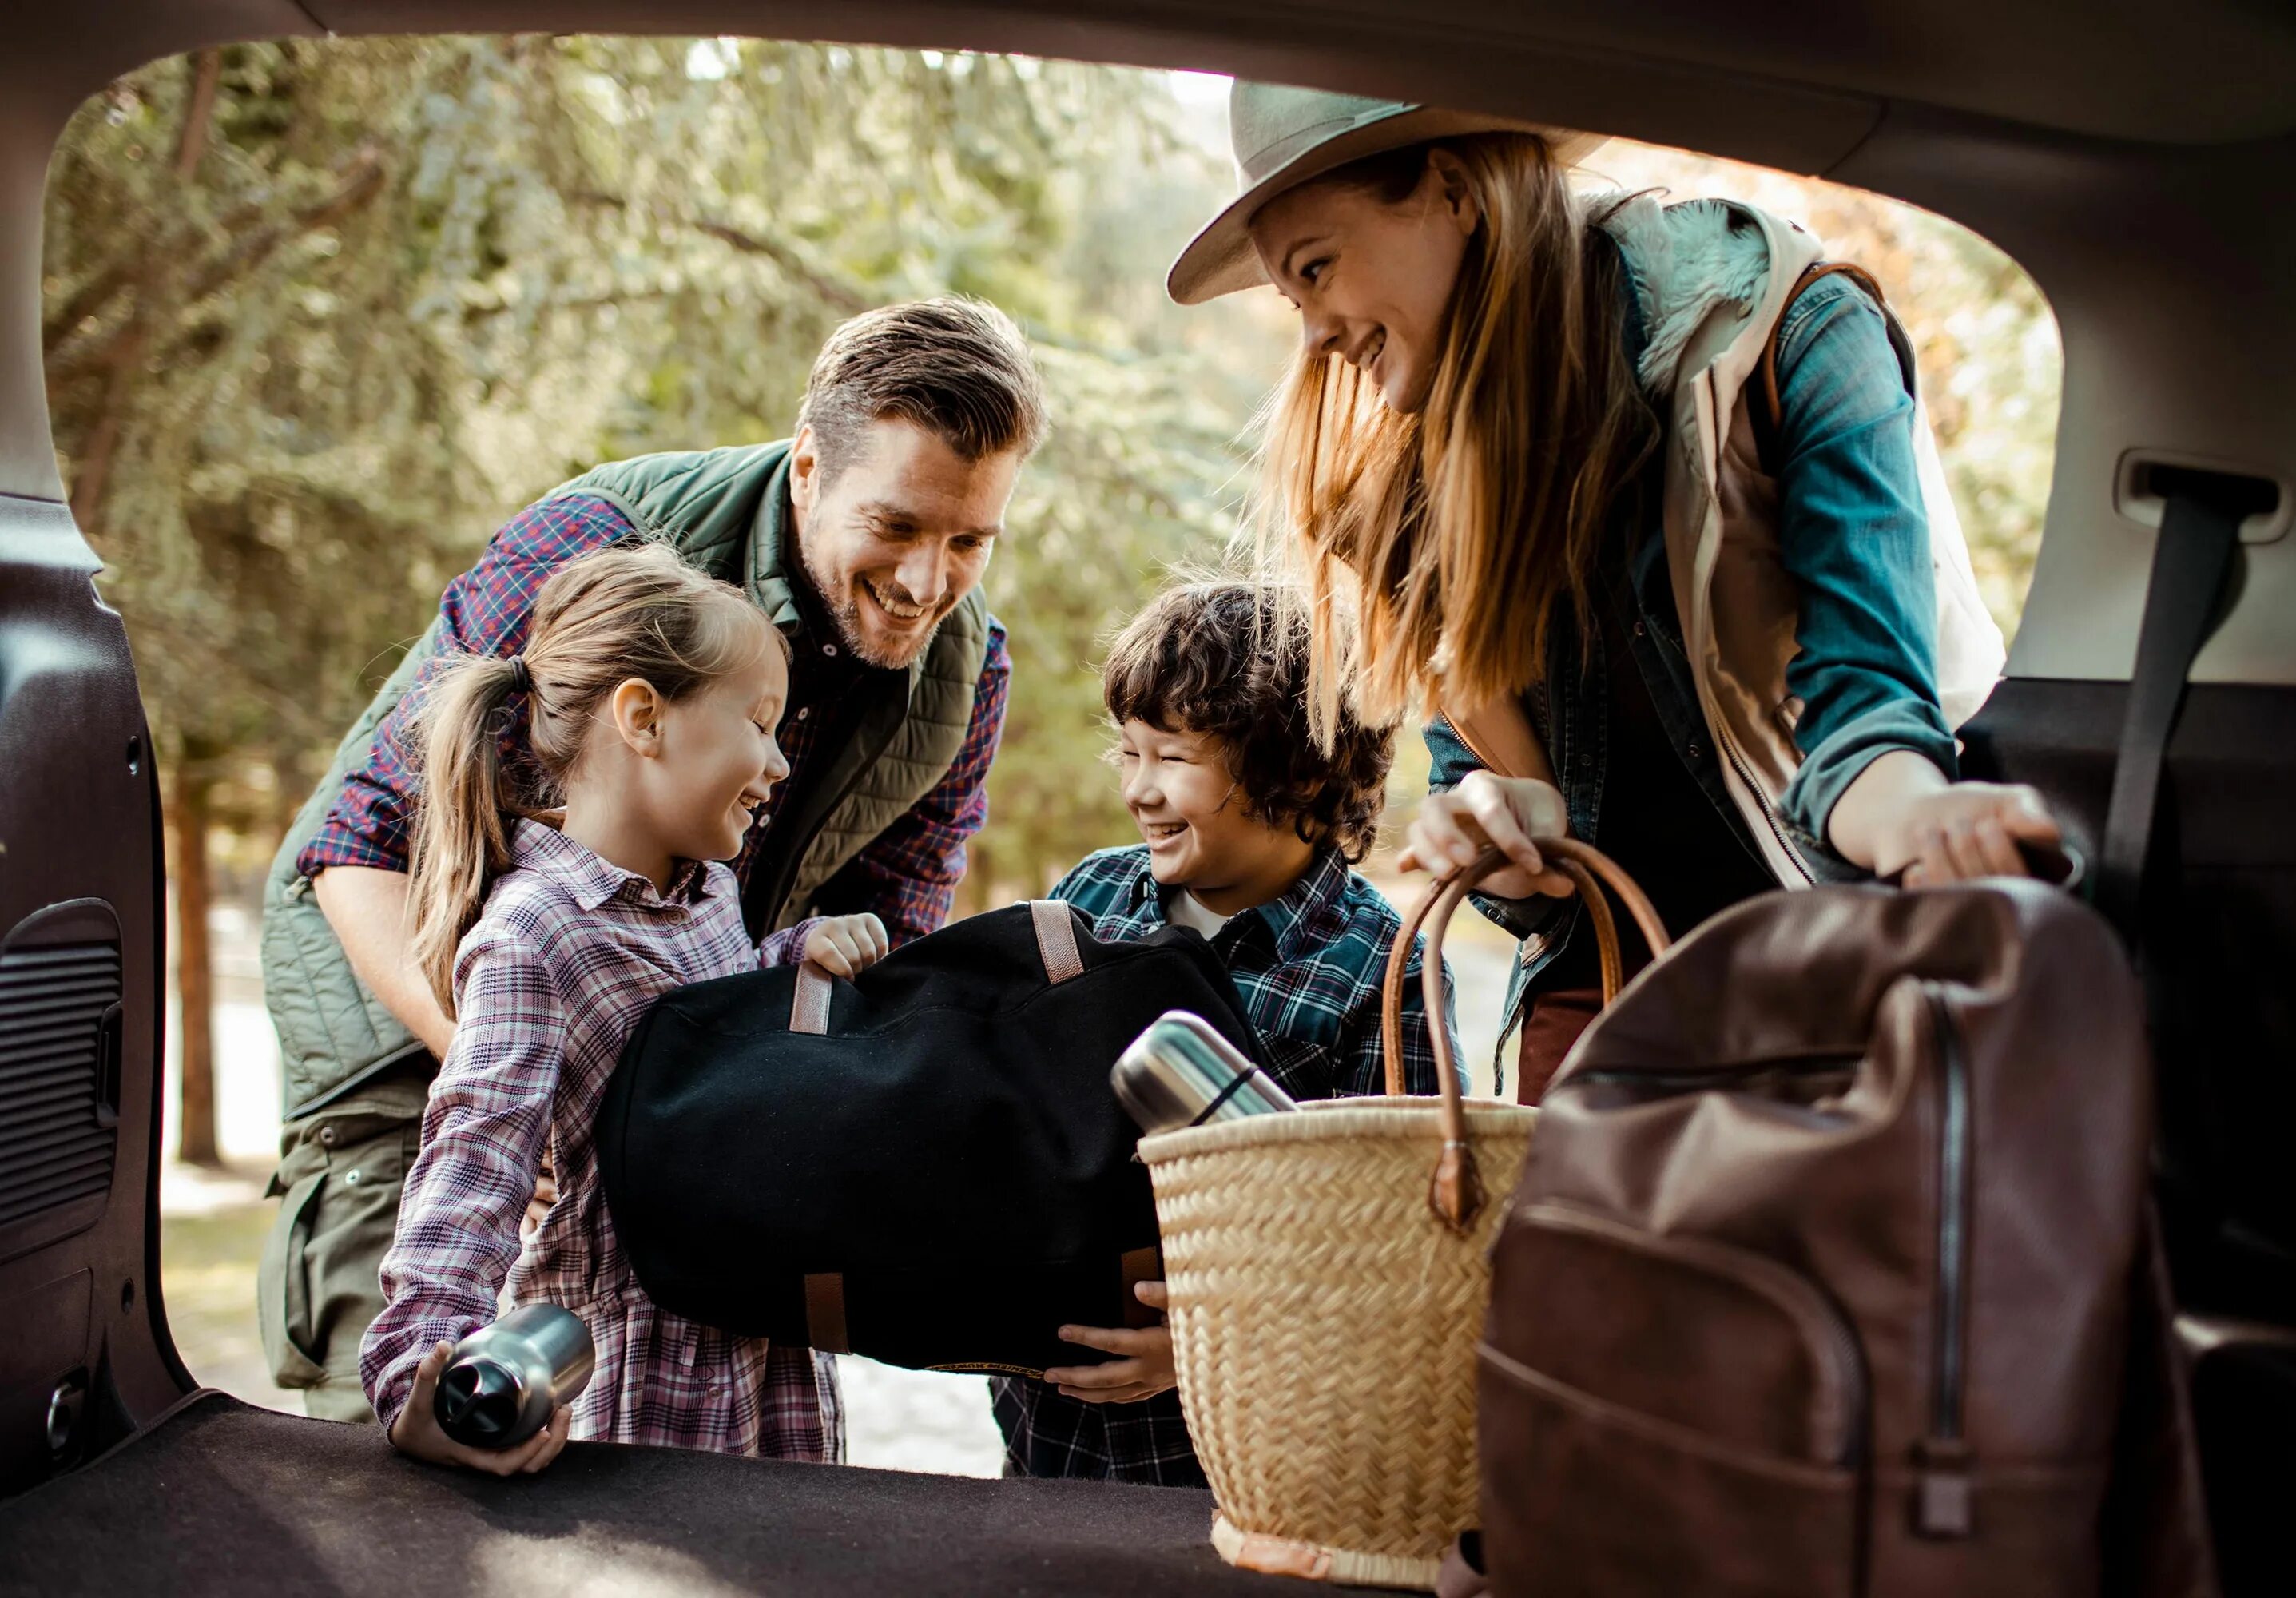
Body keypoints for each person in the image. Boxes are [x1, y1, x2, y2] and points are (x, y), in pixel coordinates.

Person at [1167, 83, 2061, 1095]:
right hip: (1609, 1020)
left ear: (1454, 190)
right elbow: (1528, 853)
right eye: (1296, 302)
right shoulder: (1412, 502)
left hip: (1836, 978)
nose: (1317, 338)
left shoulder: (1792, 331)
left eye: (1317, 269)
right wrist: (1491, 825)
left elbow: (1872, 722)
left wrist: (1925, 824)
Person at [256, 298, 1045, 1421]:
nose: (928, 581)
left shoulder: (967, 679)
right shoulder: (599, 537)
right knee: (408, 1439)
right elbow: (358, 844)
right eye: (899, 526)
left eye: (971, 541)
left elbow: (880, 971)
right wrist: (537, 1100)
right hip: (415, 1009)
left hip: (661, 1058)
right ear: (811, 467)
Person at [356, 543, 887, 1472]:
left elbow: (702, 1040)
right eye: (760, 723)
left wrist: (789, 962)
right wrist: (419, 1376)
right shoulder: (536, 933)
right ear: (643, 716)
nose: (776, 763)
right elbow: (473, 1165)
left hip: (766, 1366)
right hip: (642, 1391)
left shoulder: (707, 894)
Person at [989, 579, 1460, 1487]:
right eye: (1127, 751)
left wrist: (1199, 1349)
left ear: (1304, 768)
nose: (1138, 788)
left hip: (1231, 1458)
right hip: (1043, 1439)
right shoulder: (1089, 896)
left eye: (1172, 756)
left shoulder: (1383, 972)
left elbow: (1395, 1250)